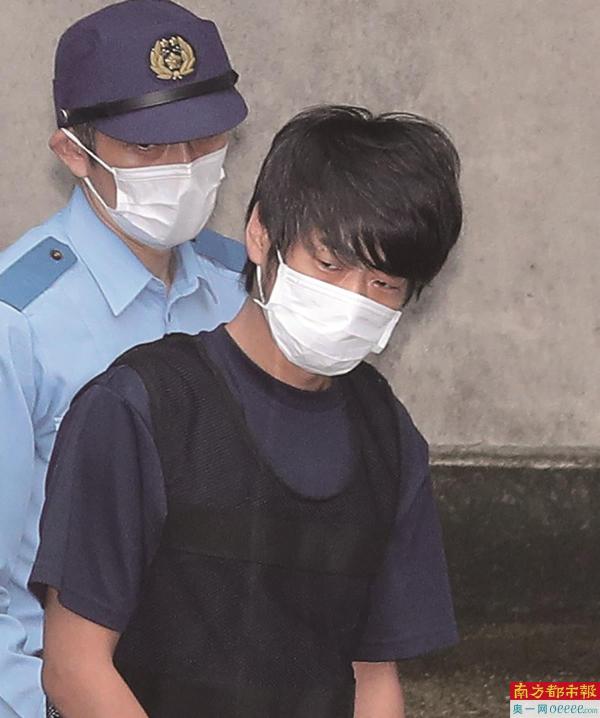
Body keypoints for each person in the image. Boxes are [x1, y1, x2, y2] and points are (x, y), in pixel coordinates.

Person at [32, 105, 463, 718]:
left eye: (384, 284)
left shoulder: (386, 436)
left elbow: (372, 675)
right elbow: (74, 666)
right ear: (261, 234)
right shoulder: (140, 406)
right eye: (330, 264)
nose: (352, 299)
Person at [0, 1, 249, 715]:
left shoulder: (243, 289)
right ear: (74, 153)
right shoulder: (19, 321)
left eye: (203, 139)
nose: (184, 167)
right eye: (147, 147)